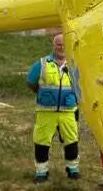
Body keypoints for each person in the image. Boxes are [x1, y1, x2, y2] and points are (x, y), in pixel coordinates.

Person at [26, 34, 82, 182]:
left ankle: (73, 170)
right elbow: (30, 81)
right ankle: (41, 172)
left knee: (71, 141)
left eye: (64, 44)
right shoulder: (42, 63)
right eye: (58, 44)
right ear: (53, 45)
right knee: (41, 143)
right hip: (46, 111)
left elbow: (81, 84)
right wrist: (43, 94)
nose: (61, 47)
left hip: (68, 111)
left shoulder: (74, 64)